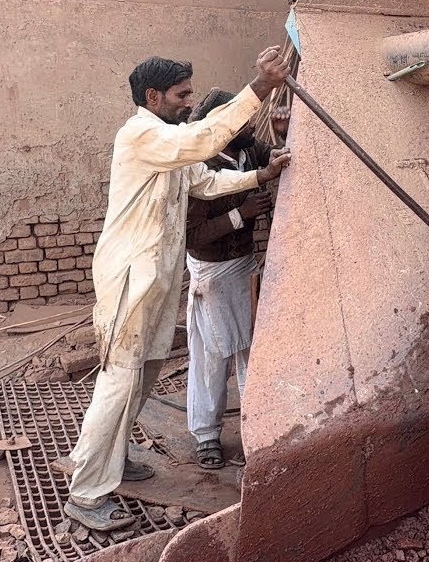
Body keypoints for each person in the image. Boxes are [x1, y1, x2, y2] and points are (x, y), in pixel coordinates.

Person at [64, 48, 293, 531]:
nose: (189, 101)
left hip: (157, 279)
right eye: (182, 94)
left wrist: (260, 174)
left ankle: (115, 459)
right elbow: (204, 139)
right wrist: (260, 87)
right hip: (130, 278)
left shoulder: (166, 140)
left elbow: (205, 181)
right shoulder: (142, 133)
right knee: (119, 379)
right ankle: (86, 491)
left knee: (143, 376)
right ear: (154, 97)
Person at [182, 90, 285, 469]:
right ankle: (206, 435)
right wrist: (240, 215)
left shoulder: (246, 149)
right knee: (210, 356)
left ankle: (253, 432)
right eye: (239, 120)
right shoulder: (198, 165)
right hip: (211, 274)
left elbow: (269, 157)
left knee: (249, 354)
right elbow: (191, 236)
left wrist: (282, 132)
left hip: (243, 267)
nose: (248, 126)